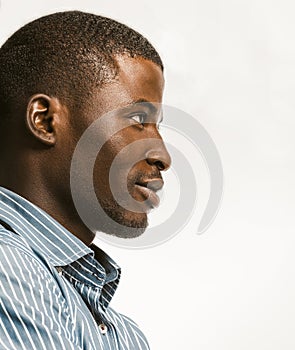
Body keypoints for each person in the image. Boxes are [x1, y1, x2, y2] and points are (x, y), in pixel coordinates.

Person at [0, 10, 171, 349]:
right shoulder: (9, 268)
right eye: (138, 118)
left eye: (158, 126)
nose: (163, 156)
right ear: (45, 121)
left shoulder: (125, 334)